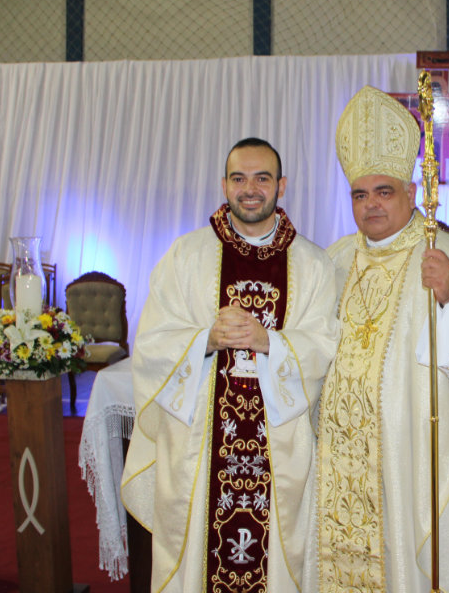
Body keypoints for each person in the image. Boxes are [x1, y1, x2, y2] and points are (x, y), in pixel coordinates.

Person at [305, 86, 449, 593]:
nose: (371, 206)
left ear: (410, 192)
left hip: (411, 459)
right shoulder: (335, 260)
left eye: (383, 192)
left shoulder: (442, 253)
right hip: (339, 453)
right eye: (359, 195)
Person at [121, 137, 339, 592]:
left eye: (262, 178)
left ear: (281, 185)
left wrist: (270, 343)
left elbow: (324, 347)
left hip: (277, 447)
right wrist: (204, 340)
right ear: (224, 184)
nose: (250, 189)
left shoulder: (313, 264)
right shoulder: (186, 256)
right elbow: (152, 343)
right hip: (202, 444)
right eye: (239, 178)